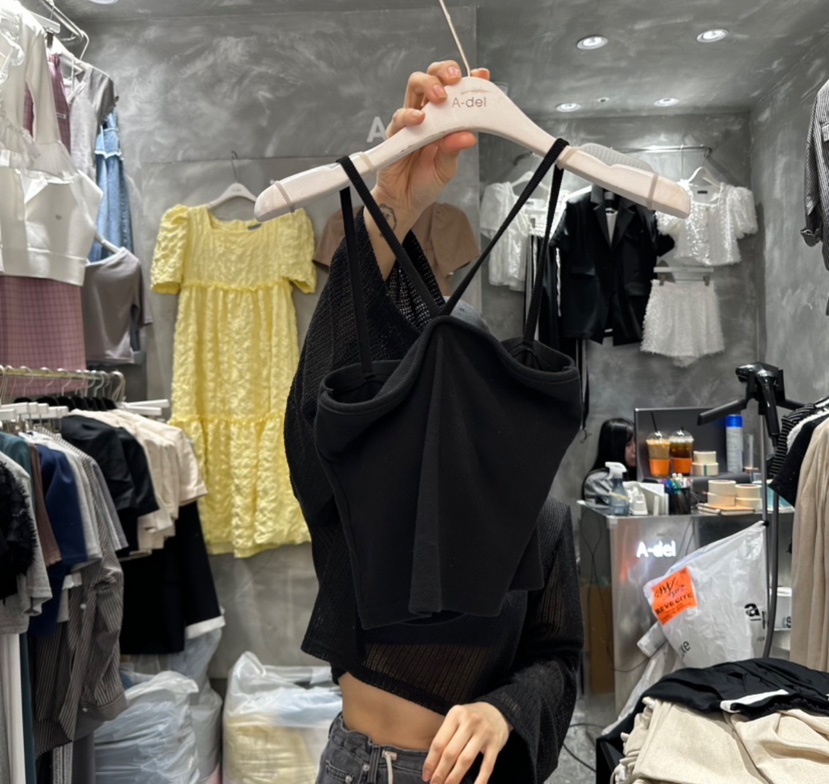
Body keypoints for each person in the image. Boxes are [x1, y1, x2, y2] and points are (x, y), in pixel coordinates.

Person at [284, 61, 583, 784]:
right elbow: (320, 393)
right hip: (353, 766)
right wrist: (394, 200)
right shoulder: (362, 500)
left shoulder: (539, 520)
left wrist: (504, 710)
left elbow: (560, 658)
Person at [582, 418, 636, 505]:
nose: (635, 450)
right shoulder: (599, 480)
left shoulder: (635, 474)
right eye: (628, 445)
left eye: (636, 442)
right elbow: (621, 506)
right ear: (614, 447)